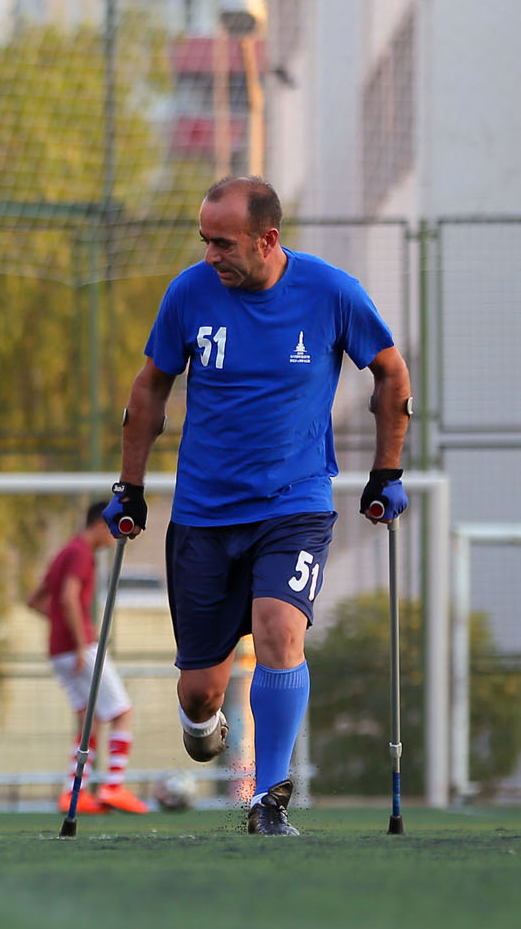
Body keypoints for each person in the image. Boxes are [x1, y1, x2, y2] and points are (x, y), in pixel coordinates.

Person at [105, 176, 411, 835]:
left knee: (279, 630)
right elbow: (151, 386)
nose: (210, 255)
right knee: (201, 692)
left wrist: (387, 471)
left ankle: (268, 798)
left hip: (294, 504)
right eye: (205, 240)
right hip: (204, 516)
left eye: (224, 243)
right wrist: (129, 487)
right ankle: (201, 726)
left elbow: (390, 370)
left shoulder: (332, 293)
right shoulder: (188, 293)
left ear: (267, 240)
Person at [29, 500, 147, 816]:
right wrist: (81, 642)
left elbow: (35, 601)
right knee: (122, 712)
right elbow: (68, 597)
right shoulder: (81, 553)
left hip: (59, 651)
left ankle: (74, 793)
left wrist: (61, 627)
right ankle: (113, 786)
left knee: (89, 721)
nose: (115, 537)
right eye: (114, 529)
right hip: (79, 648)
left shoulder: (64, 552)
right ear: (100, 523)